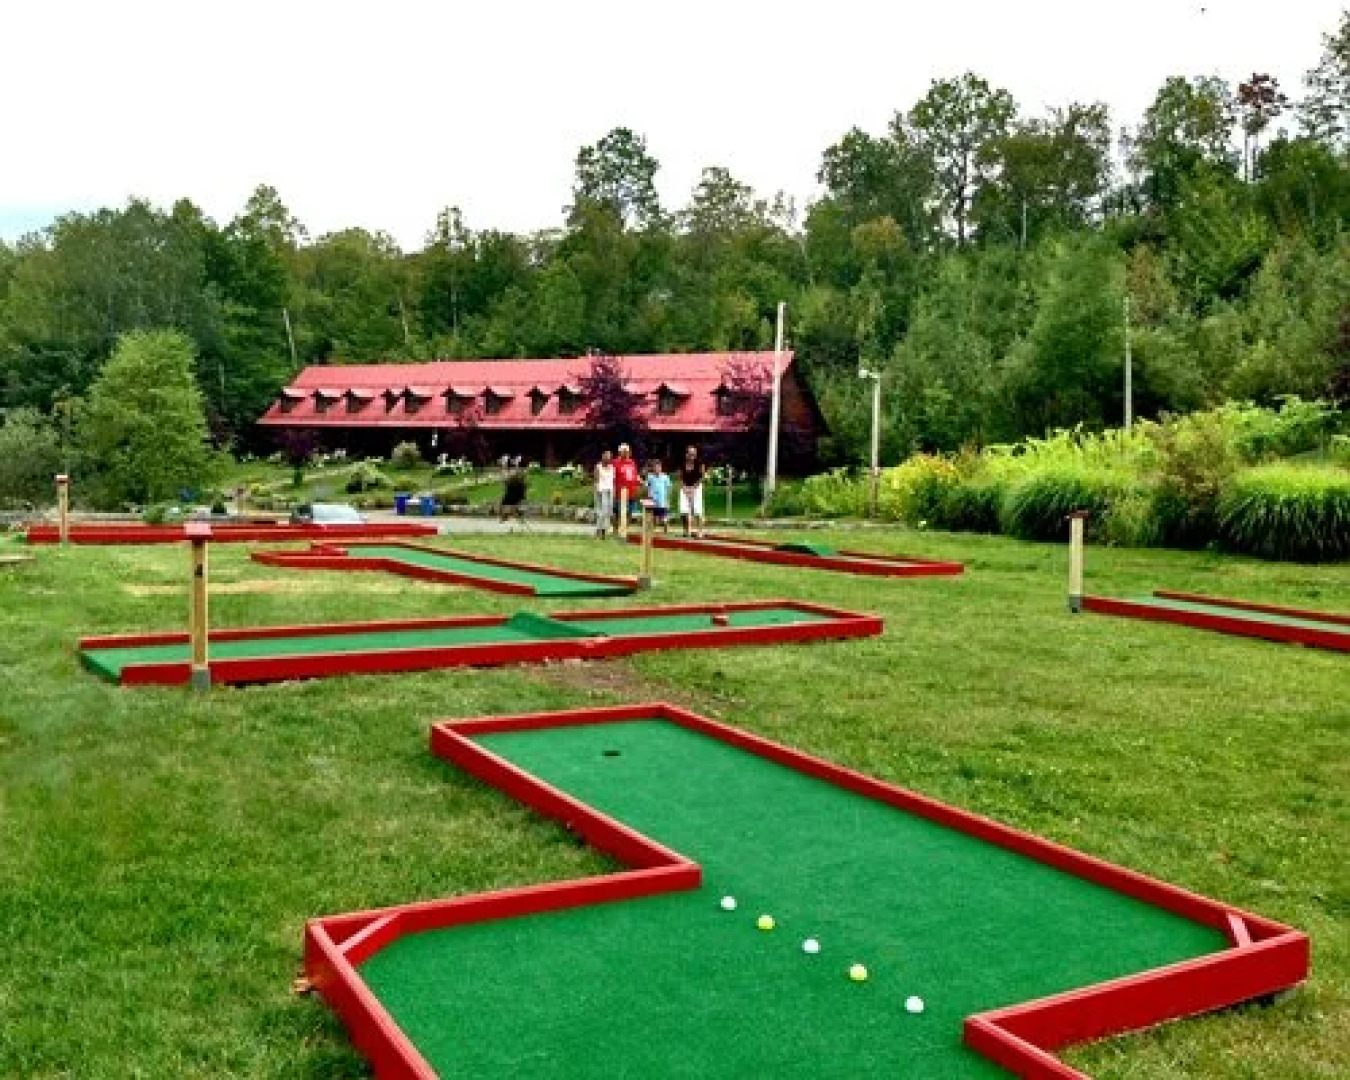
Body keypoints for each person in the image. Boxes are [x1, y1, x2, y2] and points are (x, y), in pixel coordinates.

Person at [613, 442, 642, 538]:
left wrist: (640, 481)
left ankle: (625, 530)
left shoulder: (632, 462)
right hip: (620, 491)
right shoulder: (615, 462)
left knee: (629, 512)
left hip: (632, 491)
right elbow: (613, 477)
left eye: (627, 451)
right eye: (624, 451)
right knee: (618, 512)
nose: (626, 453)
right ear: (619, 452)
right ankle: (616, 530)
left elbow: (635, 475)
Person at [679, 445, 706, 538]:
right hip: (685, 487)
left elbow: (702, 477)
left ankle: (700, 531)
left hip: (697, 487)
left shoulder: (700, 463)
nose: (692, 456)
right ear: (686, 454)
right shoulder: (682, 463)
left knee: (698, 510)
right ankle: (686, 530)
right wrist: (685, 488)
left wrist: (693, 488)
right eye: (690, 454)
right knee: (683, 510)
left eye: (694, 454)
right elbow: (680, 477)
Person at [644, 458, 671, 533]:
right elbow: (647, 486)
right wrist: (648, 496)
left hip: (662, 500)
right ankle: (653, 530)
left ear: (661, 467)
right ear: (653, 468)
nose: (657, 469)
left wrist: (667, 499)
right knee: (654, 516)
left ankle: (666, 529)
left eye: (658, 467)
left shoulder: (665, 477)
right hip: (653, 500)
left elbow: (668, 488)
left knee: (664, 517)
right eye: (655, 467)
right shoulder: (650, 477)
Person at [593, 450, 615, 539]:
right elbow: (596, 479)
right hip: (601, 490)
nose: (608, 459)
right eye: (606, 457)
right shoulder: (598, 467)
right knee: (602, 511)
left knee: (608, 512)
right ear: (602, 457)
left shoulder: (612, 467)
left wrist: (613, 491)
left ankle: (600, 529)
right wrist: (597, 489)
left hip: (610, 490)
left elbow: (612, 480)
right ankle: (601, 530)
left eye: (609, 457)